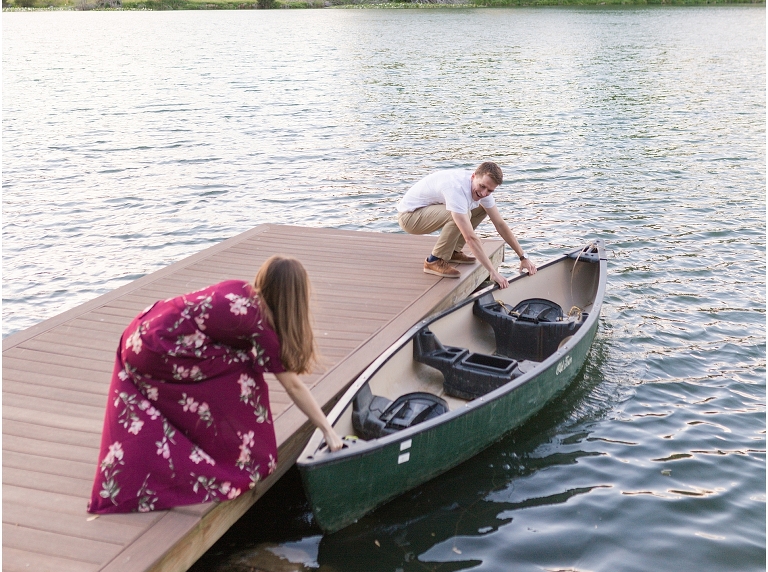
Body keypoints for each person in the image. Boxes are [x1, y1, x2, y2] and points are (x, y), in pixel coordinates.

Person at [88, 256, 342, 515]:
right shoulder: (258, 325)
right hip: (156, 349)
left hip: (140, 331)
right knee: (244, 378)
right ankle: (235, 457)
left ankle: (204, 443)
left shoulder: (241, 289)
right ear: (293, 298)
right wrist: (327, 430)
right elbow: (294, 387)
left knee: (237, 363)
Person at [396, 160, 537, 288]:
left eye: (490, 190)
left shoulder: (482, 189)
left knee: (482, 209)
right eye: (482, 187)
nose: (483, 193)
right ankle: (434, 260)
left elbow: (499, 224)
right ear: (473, 176)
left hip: (426, 211)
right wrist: (492, 272)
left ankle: (453, 252)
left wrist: (523, 257)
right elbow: (470, 237)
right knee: (460, 214)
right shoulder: (456, 189)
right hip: (410, 218)